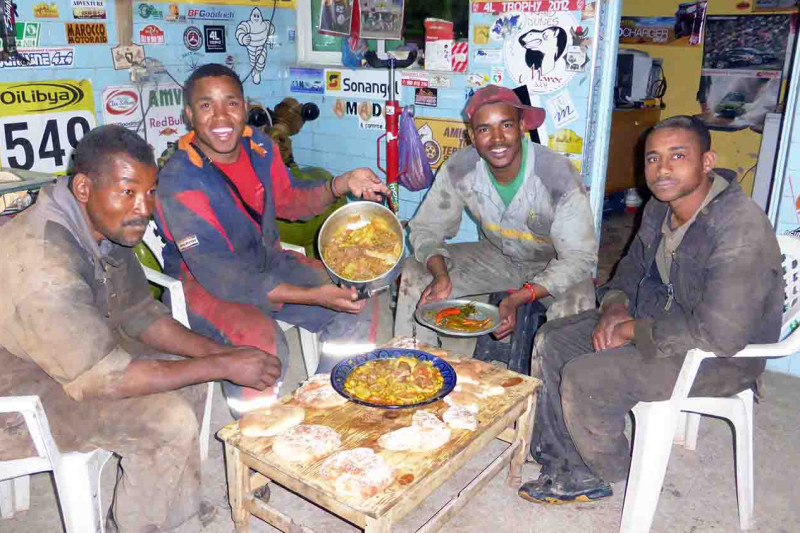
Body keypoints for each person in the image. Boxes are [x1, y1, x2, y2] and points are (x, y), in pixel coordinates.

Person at [0, 125, 282, 531]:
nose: (143, 208)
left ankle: (169, 513)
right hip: (15, 397)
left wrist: (222, 354)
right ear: (84, 188)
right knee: (167, 421)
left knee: (193, 379)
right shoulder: (45, 264)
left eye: (150, 192)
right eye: (128, 192)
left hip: (71, 354)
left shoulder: (102, 223)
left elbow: (139, 313)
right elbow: (105, 378)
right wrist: (224, 366)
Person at [517, 116, 783, 504]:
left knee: (588, 378)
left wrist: (631, 331)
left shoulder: (739, 229)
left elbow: (722, 334)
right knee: (553, 339)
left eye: (678, 156)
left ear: (707, 162)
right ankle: (565, 459)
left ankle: (606, 469)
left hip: (720, 357)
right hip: (661, 321)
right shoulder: (660, 207)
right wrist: (615, 306)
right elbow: (632, 266)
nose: (662, 170)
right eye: (653, 158)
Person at [155, 64, 389, 402]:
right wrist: (313, 296)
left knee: (358, 300)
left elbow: (289, 199)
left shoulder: (259, 147)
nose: (221, 117)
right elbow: (222, 275)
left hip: (267, 261)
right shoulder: (180, 178)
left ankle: (328, 401)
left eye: (230, 103)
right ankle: (257, 428)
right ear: (189, 115)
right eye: (206, 105)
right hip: (202, 284)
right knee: (262, 349)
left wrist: (340, 183)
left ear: (244, 106)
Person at [394, 84, 597, 344]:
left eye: (506, 125)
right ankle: (414, 358)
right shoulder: (459, 168)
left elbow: (579, 257)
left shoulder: (557, 175)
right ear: (472, 135)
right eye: (484, 129)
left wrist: (518, 298)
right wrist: (441, 275)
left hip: (553, 262)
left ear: (522, 126)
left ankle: (549, 370)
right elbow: (426, 228)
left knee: (577, 307)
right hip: (498, 257)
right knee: (416, 273)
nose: (497, 138)